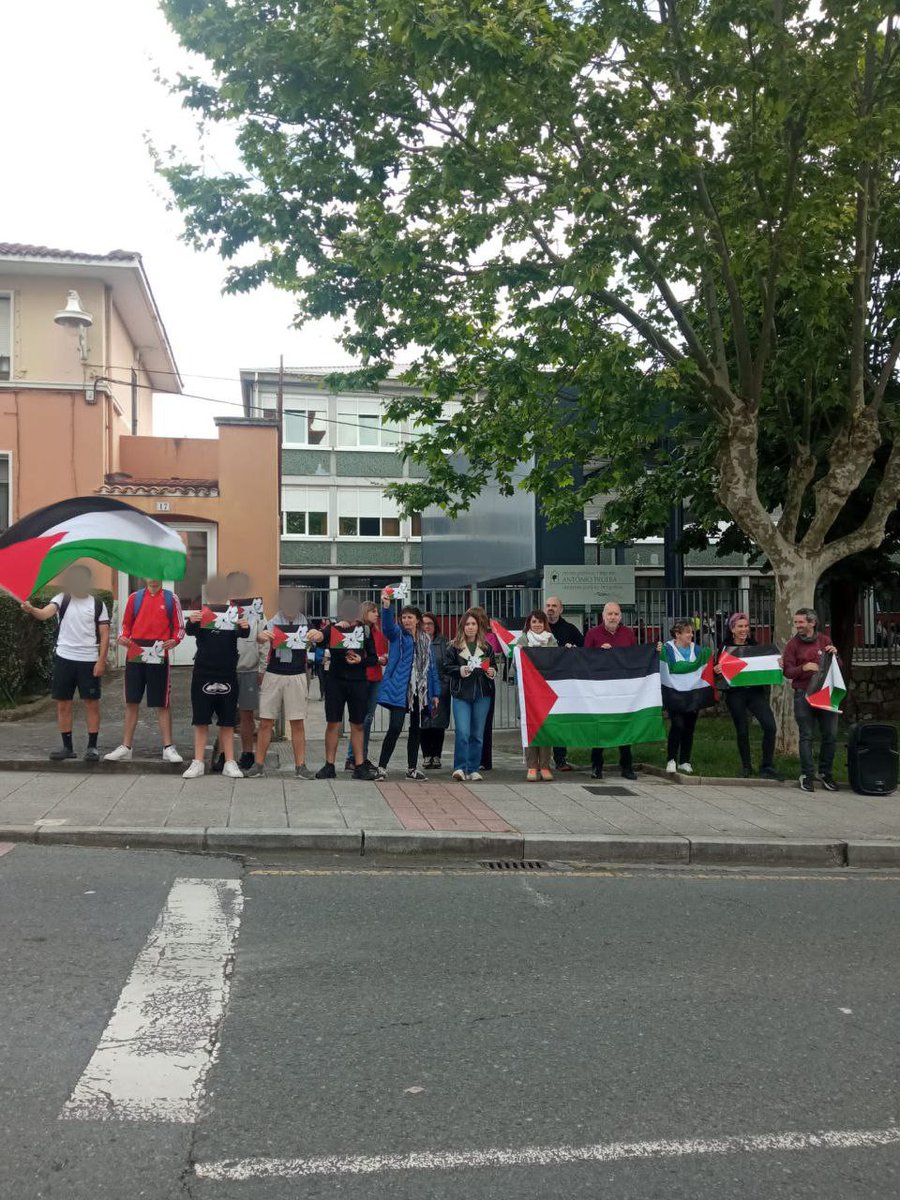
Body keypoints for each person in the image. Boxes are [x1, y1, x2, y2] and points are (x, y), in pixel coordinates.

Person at [21, 564, 110, 761]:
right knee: (63, 704)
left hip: (88, 660)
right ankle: (67, 747)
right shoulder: (62, 599)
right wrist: (31, 609)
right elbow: (45, 614)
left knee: (91, 704)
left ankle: (92, 747)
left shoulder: (97, 604)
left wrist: (101, 661)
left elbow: (104, 635)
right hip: (64, 658)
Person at [104, 579, 185, 763]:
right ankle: (126, 746)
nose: (152, 577)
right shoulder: (135, 598)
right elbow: (125, 626)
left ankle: (168, 747)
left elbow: (180, 627)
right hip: (135, 654)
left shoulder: (171, 599)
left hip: (158, 655)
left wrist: (175, 640)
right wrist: (123, 637)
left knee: (162, 702)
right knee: (131, 700)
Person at [182, 577, 250, 779]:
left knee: (227, 721)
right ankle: (198, 762)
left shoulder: (235, 614)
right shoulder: (201, 613)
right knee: (201, 720)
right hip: (203, 672)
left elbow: (245, 634)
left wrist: (244, 625)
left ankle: (230, 761)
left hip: (228, 672)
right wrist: (191, 620)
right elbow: (189, 631)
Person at [246, 586, 316, 779]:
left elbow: (318, 638)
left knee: (297, 722)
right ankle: (258, 765)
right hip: (273, 674)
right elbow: (260, 639)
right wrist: (261, 637)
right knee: (266, 721)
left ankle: (300, 766)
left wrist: (317, 635)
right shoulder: (273, 622)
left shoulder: (305, 622)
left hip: (297, 675)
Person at [373, 592, 440, 781]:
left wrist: (435, 694)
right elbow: (387, 626)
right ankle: (382, 767)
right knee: (395, 727)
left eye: (410, 617)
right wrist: (386, 606)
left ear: (418, 620)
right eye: (404, 617)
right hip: (400, 689)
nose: (406, 620)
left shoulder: (426, 640)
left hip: (420, 689)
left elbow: (432, 668)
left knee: (416, 730)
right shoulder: (397, 636)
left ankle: (412, 769)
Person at [714, 611, 781, 780]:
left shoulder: (755, 646)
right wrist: (717, 670)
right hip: (735, 693)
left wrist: (777, 663)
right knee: (742, 730)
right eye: (740, 626)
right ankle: (746, 767)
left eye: (746, 626)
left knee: (770, 726)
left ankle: (767, 766)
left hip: (755, 693)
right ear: (732, 629)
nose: (744, 629)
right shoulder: (725, 647)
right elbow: (716, 669)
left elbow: (766, 665)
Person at [316, 601, 379, 780]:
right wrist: (333, 628)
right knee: (333, 723)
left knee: (358, 723)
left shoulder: (365, 631)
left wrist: (361, 660)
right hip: (335, 681)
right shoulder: (333, 628)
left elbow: (373, 658)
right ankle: (329, 765)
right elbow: (319, 641)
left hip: (358, 681)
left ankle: (359, 765)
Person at [782, 607, 841, 793]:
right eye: (796, 622)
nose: (797, 625)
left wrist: (835, 654)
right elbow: (788, 672)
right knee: (806, 735)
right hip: (803, 693)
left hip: (825, 693)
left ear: (812, 623)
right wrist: (804, 667)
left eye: (801, 622)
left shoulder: (824, 640)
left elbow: (837, 667)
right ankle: (807, 774)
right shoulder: (792, 645)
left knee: (830, 735)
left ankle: (825, 773)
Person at [584, 601, 639, 781]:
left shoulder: (628, 634)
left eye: (616, 614)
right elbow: (585, 659)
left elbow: (635, 658)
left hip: (622, 689)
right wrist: (599, 652)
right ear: (603, 616)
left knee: (624, 726)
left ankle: (627, 766)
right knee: (599, 727)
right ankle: (596, 766)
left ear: (620, 616)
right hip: (600, 689)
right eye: (610, 614)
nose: (613, 617)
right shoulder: (593, 634)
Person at [445, 609, 497, 782]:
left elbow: (494, 666)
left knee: (477, 734)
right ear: (462, 626)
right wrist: (459, 670)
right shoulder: (454, 646)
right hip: (461, 694)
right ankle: (460, 767)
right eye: (467, 624)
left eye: (473, 624)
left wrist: (492, 671)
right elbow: (446, 667)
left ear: (478, 626)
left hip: (483, 694)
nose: (470, 627)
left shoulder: (486, 647)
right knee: (463, 732)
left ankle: (473, 768)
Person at [225, 571, 267, 772]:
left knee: (247, 715)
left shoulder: (257, 610)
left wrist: (262, 668)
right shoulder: (222, 609)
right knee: (223, 714)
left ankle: (247, 753)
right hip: (225, 669)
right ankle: (224, 754)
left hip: (249, 669)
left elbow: (265, 639)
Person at [344, 600, 388, 771]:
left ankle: (358, 756)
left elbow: (382, 652)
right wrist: (376, 658)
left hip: (376, 677)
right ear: (364, 613)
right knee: (362, 720)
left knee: (367, 718)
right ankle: (354, 757)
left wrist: (383, 658)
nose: (377, 614)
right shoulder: (357, 630)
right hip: (362, 678)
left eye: (377, 611)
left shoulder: (378, 632)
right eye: (373, 611)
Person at [514, 610, 557, 781]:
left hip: (546, 691)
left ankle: (545, 766)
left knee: (545, 727)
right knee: (530, 726)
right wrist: (518, 653)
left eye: (540, 622)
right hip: (529, 692)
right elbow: (516, 664)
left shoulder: (551, 640)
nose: (537, 625)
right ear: (529, 624)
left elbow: (556, 660)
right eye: (534, 622)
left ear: (545, 624)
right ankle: (532, 766)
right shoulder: (523, 640)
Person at [544, 595, 583, 771]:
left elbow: (584, 650)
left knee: (560, 720)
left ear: (561, 609)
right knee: (542, 721)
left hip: (562, 682)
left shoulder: (570, 629)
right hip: (541, 681)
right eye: (548, 605)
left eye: (554, 606)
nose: (550, 608)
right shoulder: (537, 627)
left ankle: (560, 759)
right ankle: (540, 762)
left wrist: (574, 651)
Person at [660, 619, 703, 775]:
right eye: (687, 632)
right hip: (675, 695)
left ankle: (685, 761)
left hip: (692, 695)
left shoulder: (697, 650)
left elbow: (702, 666)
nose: (691, 635)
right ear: (677, 634)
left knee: (689, 728)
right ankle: (671, 759)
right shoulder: (667, 649)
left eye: (691, 632)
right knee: (678, 725)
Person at [420, 612, 450, 768]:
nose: (427, 626)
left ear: (435, 625)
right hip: (422, 689)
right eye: (424, 623)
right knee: (424, 723)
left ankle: (437, 755)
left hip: (441, 689)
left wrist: (444, 686)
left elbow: (448, 665)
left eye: (430, 623)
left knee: (438, 723)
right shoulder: (417, 641)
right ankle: (426, 755)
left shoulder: (443, 642)